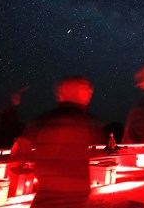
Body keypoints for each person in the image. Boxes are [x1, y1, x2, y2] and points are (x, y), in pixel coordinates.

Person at [11, 76, 103, 208]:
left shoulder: (44, 119)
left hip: (48, 197)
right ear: (70, 91)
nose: (91, 90)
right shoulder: (90, 122)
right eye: (85, 87)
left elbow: (18, 150)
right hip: (67, 198)